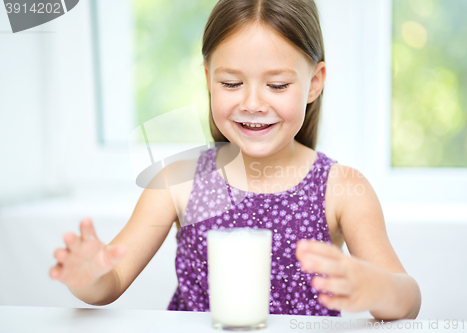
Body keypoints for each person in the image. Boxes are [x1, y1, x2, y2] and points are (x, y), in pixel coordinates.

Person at [49, 0, 421, 320]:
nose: (253, 103)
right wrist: (89, 277)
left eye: (277, 85)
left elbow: (408, 300)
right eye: (231, 83)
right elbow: (110, 282)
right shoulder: (180, 180)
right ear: (209, 78)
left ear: (315, 82)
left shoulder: (341, 190)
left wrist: (376, 288)